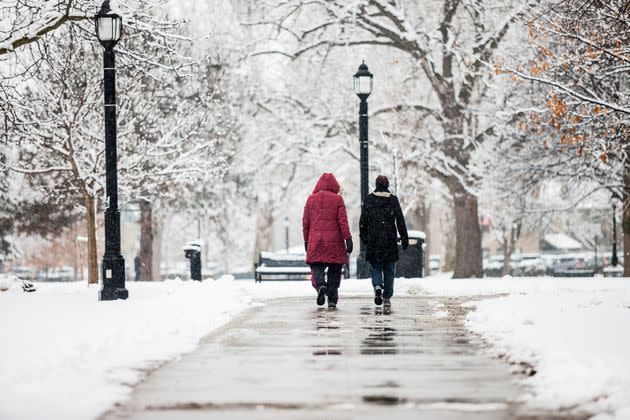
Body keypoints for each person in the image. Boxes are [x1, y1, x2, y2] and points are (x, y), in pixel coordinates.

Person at [302, 173, 353, 308]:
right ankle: (331, 298)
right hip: (334, 241)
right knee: (334, 268)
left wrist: (306, 240)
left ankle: (320, 286)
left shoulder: (311, 199)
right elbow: (343, 221)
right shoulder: (338, 199)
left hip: (316, 240)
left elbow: (306, 222)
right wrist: (348, 238)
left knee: (316, 265)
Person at [359, 175, 408, 307]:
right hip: (389, 239)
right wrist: (404, 238)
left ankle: (377, 286)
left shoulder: (369, 199)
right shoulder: (393, 200)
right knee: (389, 268)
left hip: (374, 240)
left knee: (375, 266)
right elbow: (400, 221)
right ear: (387, 185)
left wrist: (364, 238)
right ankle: (387, 296)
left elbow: (363, 222)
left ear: (376, 184)